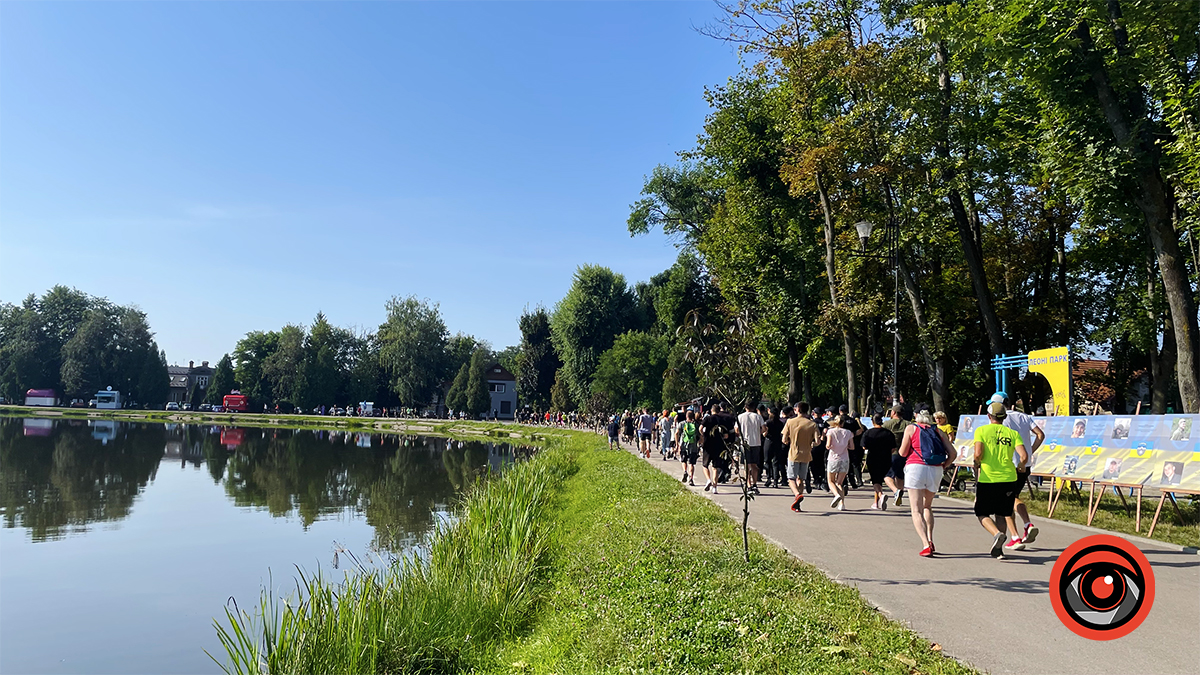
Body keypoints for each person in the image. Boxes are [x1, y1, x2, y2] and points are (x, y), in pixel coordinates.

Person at [973, 401, 1028, 559]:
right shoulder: (1012, 434)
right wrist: (1021, 466)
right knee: (1002, 513)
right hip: (1009, 478)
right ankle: (999, 549)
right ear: (1004, 417)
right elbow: (1024, 456)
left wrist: (976, 464)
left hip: (988, 478)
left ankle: (997, 534)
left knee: (981, 513)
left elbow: (978, 454)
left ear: (989, 416)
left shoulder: (982, 431)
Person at [898, 410, 956, 556]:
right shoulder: (937, 430)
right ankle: (930, 539)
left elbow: (903, 453)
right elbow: (953, 453)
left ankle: (925, 544)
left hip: (916, 468)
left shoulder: (911, 428)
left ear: (916, 416)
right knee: (927, 506)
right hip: (935, 470)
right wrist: (945, 465)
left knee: (916, 509)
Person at [1000, 395, 1043, 548]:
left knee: (1007, 499)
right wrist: (1030, 450)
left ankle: (1017, 535)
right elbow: (1040, 434)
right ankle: (1023, 528)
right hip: (1025, 463)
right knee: (1013, 496)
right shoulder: (1024, 416)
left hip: (1008, 463)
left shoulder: (1001, 419)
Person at [781, 402, 817, 512]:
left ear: (797, 410)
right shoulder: (812, 424)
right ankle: (798, 503)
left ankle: (797, 495)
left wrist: (788, 441)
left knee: (791, 478)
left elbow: (784, 439)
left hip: (793, 453)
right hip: (806, 454)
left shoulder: (790, 422)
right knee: (801, 478)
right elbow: (818, 441)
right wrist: (811, 444)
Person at [862, 415, 897, 509]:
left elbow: (864, 446)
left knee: (875, 481)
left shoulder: (868, 433)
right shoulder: (889, 433)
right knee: (881, 478)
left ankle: (881, 495)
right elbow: (893, 448)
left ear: (872, 422)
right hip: (886, 458)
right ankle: (876, 503)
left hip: (873, 458)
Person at [883, 404, 910, 506]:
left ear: (893, 413)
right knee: (900, 475)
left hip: (890, 453)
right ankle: (899, 497)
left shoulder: (887, 424)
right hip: (904, 453)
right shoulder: (908, 424)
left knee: (886, 475)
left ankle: (895, 491)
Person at [825, 416, 854, 510]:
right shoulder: (848, 432)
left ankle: (836, 495)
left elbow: (828, 446)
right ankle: (842, 504)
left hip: (833, 458)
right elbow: (852, 447)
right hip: (844, 458)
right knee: (839, 483)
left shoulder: (831, 431)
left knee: (830, 481)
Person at [699, 403, 729, 494]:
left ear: (711, 410)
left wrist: (703, 435)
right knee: (715, 467)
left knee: (705, 465)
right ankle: (715, 487)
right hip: (718, 445)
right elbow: (726, 435)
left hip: (708, 444)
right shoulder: (722, 420)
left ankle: (708, 480)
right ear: (719, 411)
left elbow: (700, 428)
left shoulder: (707, 419)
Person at [737, 401, 765, 493]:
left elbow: (736, 430)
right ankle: (754, 484)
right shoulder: (758, 417)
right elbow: (764, 428)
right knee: (754, 465)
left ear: (745, 407)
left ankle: (748, 484)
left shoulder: (740, 417)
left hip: (745, 443)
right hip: (756, 443)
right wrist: (758, 433)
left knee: (746, 465)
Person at [839, 404, 865, 489]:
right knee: (854, 464)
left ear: (840, 411)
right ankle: (855, 481)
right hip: (852, 444)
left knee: (843, 464)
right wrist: (852, 434)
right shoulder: (853, 421)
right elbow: (859, 431)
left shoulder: (839, 420)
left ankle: (844, 481)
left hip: (841, 445)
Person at [762, 406, 786, 488]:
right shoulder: (780, 423)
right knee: (776, 462)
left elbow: (765, 433)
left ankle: (769, 478)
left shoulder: (768, 422)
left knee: (767, 461)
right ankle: (775, 480)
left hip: (769, 441)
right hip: (777, 442)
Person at [676, 410, 700, 485]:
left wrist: (677, 444)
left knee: (683, 460)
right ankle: (691, 478)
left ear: (686, 416)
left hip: (683, 444)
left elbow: (677, 433)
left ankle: (685, 471)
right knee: (691, 463)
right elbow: (700, 435)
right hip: (693, 445)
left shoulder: (682, 424)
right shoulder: (696, 424)